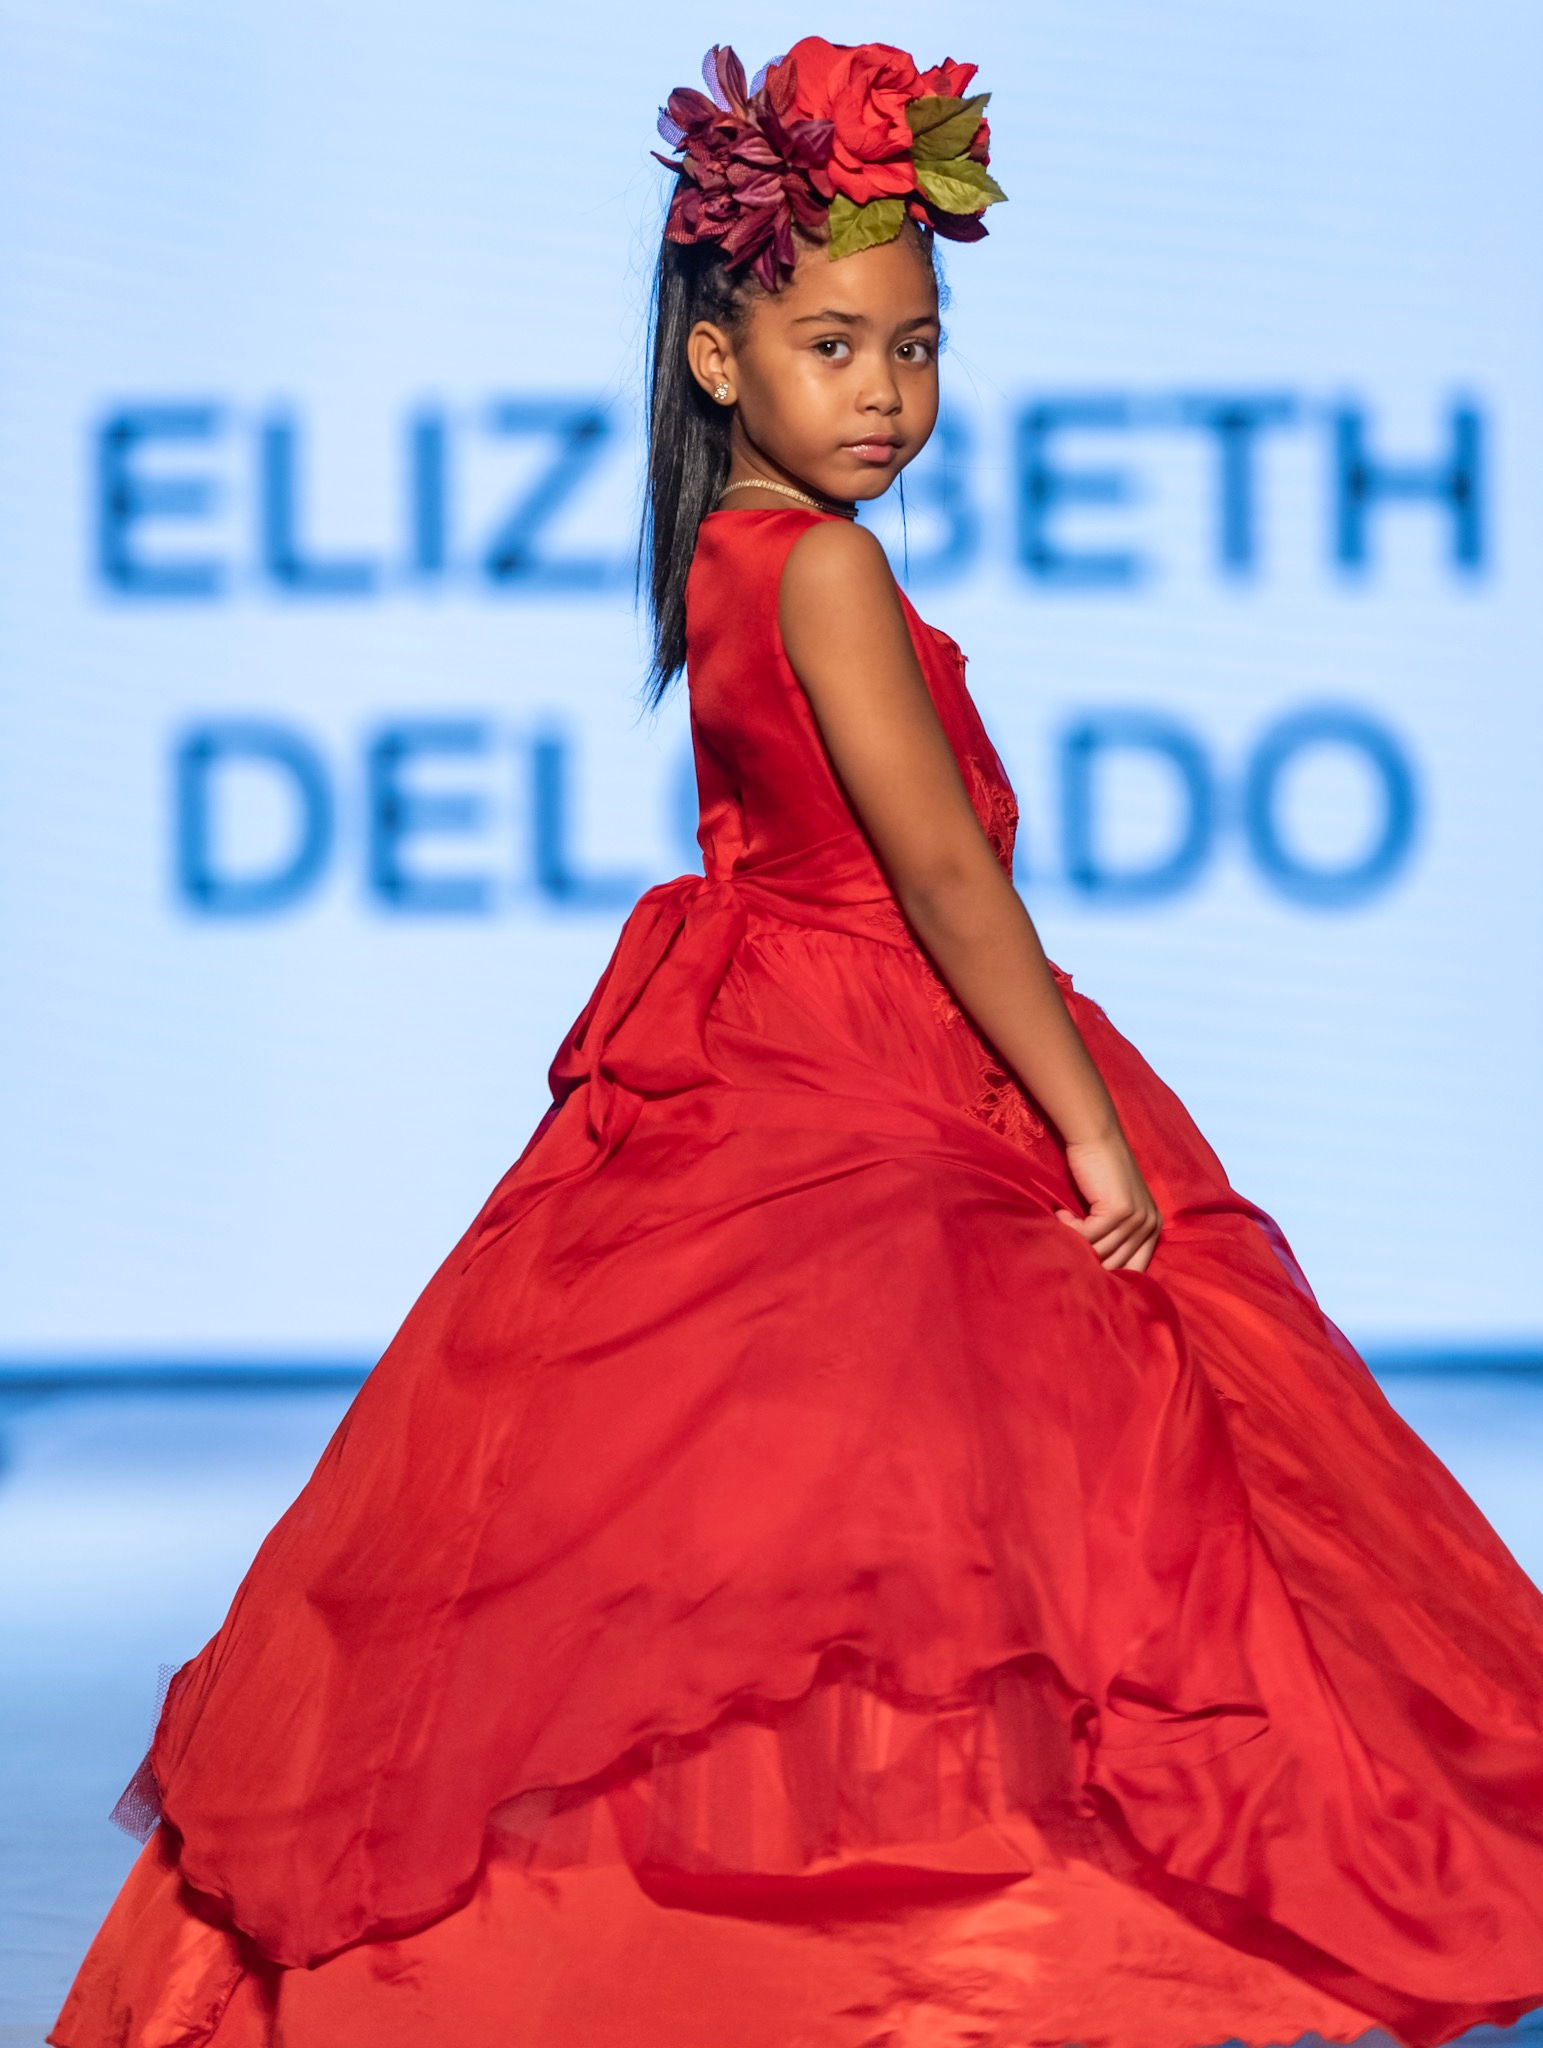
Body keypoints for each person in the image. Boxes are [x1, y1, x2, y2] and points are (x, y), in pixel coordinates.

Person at [50, 37, 1543, 2048]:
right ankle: (939, 1949)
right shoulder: (821, 567)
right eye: (833, 348)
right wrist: (1091, 1127)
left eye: (914, 350)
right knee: (1035, 1535)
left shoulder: (736, 558)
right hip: (874, 1062)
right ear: (716, 360)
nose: (885, 395)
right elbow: (941, 875)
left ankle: (848, 1950)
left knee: (812, 1555)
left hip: (787, 1044)